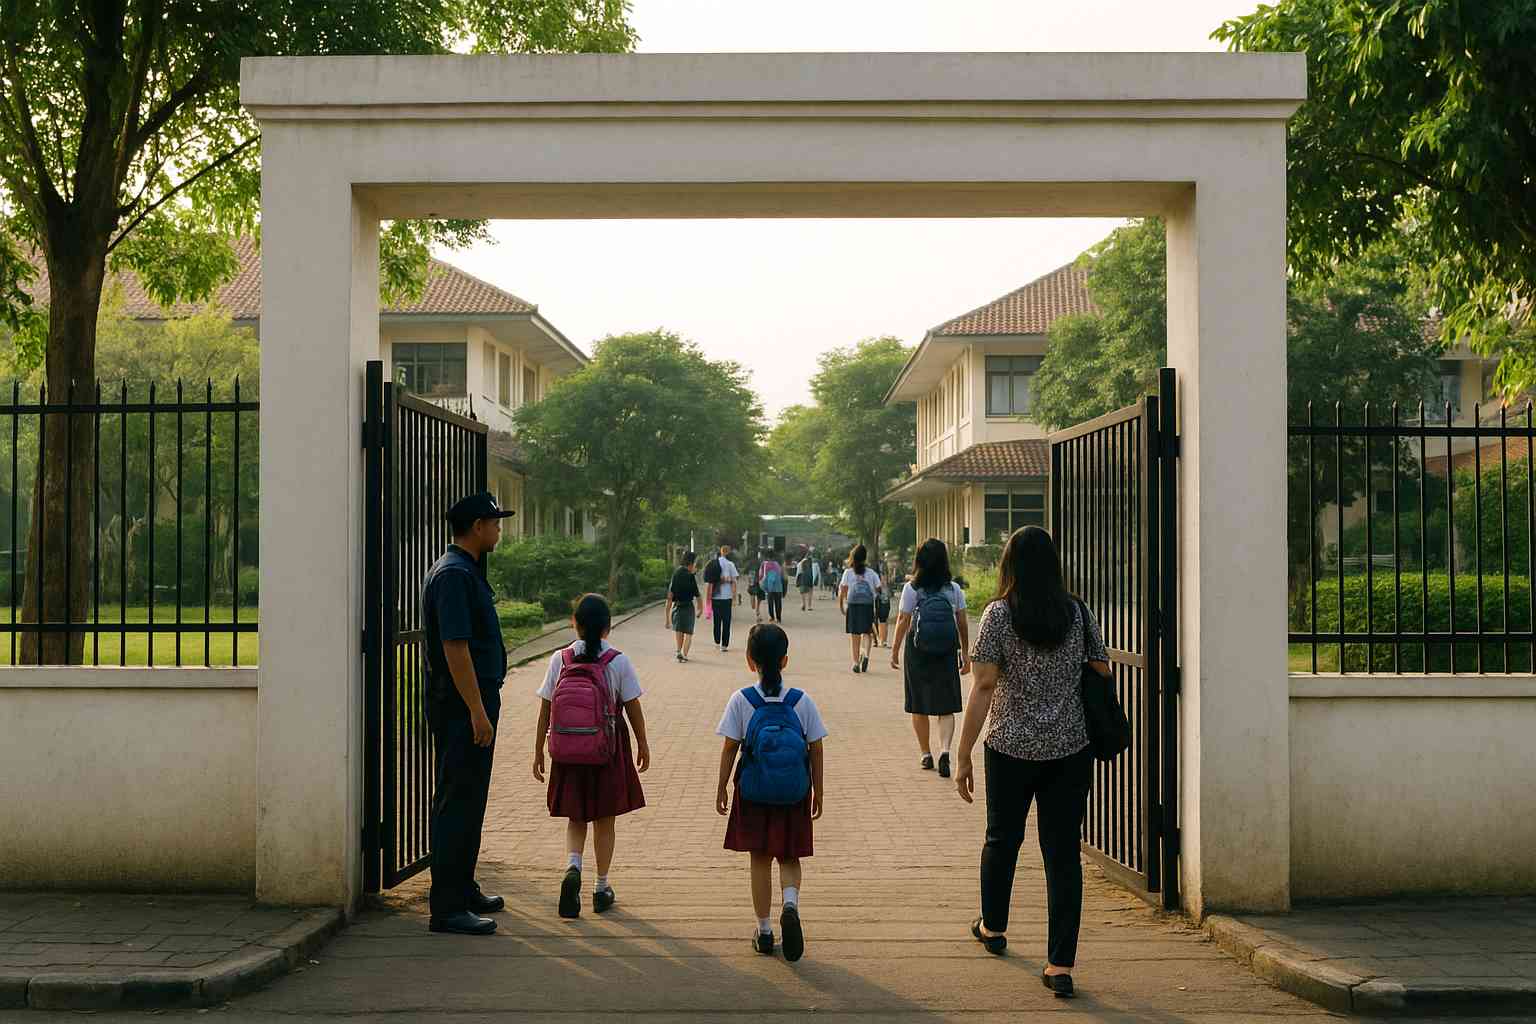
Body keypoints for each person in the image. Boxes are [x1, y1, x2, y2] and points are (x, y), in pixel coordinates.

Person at [952, 526, 1111, 1000]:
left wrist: (963, 753)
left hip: (1009, 747)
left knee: (1002, 840)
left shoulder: (999, 614)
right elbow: (1102, 668)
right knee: (1062, 854)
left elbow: (983, 685)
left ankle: (993, 927)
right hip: (1069, 748)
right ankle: (1059, 965)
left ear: (1010, 565)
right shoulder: (1077, 612)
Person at [421, 491, 517, 935]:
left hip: (472, 701)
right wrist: (477, 710)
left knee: (471, 797)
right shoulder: (454, 576)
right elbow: (455, 648)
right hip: (462, 704)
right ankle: (447, 907)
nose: (499, 529)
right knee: (457, 801)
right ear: (478, 526)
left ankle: (462, 887)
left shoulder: (464, 570)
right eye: (495, 523)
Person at [534, 594, 651, 919]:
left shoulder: (560, 659)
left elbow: (546, 706)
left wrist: (538, 749)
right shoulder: (618, 661)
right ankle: (601, 887)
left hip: (568, 752)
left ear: (574, 623)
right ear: (608, 627)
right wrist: (642, 743)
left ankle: (573, 866)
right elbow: (633, 707)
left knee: (576, 817)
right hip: (606, 751)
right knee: (604, 819)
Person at [715, 623, 827, 962]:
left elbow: (729, 748)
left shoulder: (742, 700)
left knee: (760, 858)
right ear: (785, 660)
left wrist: (721, 786)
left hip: (753, 792)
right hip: (794, 792)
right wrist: (818, 790)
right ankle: (790, 905)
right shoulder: (801, 701)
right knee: (789, 856)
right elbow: (816, 748)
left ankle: (764, 931)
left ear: (750, 661)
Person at [888, 539, 970, 777]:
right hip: (946, 650)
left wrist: (894, 650)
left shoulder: (912, 588)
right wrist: (965, 652)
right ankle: (945, 750)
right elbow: (962, 622)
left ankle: (926, 753)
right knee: (946, 705)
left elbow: (903, 620)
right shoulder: (953, 589)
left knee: (919, 703)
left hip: (918, 650)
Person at [837, 544, 882, 674]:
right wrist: (874, 594)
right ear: (865, 558)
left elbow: (843, 590)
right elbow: (879, 588)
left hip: (853, 605)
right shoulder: (871, 573)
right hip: (867, 605)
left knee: (855, 634)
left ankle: (856, 663)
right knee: (867, 632)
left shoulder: (848, 572)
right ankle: (866, 655)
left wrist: (842, 605)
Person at [665, 551, 704, 663]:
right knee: (688, 633)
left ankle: (679, 651)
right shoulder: (690, 576)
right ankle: (684, 654)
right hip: (688, 607)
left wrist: (667, 617)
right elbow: (698, 595)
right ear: (690, 563)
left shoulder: (676, 574)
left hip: (677, 606)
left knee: (679, 630)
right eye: (694, 563)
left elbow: (670, 596)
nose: (695, 566)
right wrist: (700, 609)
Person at [708, 544, 741, 652]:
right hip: (727, 597)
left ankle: (717, 641)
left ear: (721, 551)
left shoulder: (713, 564)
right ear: (728, 552)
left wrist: (708, 597)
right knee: (726, 621)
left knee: (717, 621)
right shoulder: (730, 564)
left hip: (715, 596)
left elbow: (710, 581)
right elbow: (734, 582)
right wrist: (734, 597)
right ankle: (724, 645)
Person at [758, 549, 787, 623]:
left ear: (766, 556)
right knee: (778, 603)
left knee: (770, 603)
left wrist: (761, 583)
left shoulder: (764, 564)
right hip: (778, 586)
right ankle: (778, 618)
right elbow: (781, 574)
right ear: (773, 556)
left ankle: (772, 617)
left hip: (769, 587)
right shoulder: (777, 564)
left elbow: (761, 575)